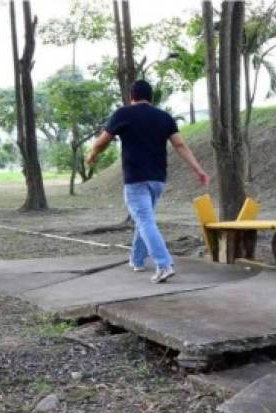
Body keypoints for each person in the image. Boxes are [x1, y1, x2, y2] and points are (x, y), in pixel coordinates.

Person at [87, 79, 210, 283]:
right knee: (144, 219)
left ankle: (164, 265)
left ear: (131, 97)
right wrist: (198, 169)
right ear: (151, 98)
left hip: (135, 179)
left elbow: (102, 141)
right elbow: (180, 145)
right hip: (158, 180)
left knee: (144, 220)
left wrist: (93, 154)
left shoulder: (123, 114)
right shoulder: (164, 117)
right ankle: (137, 260)